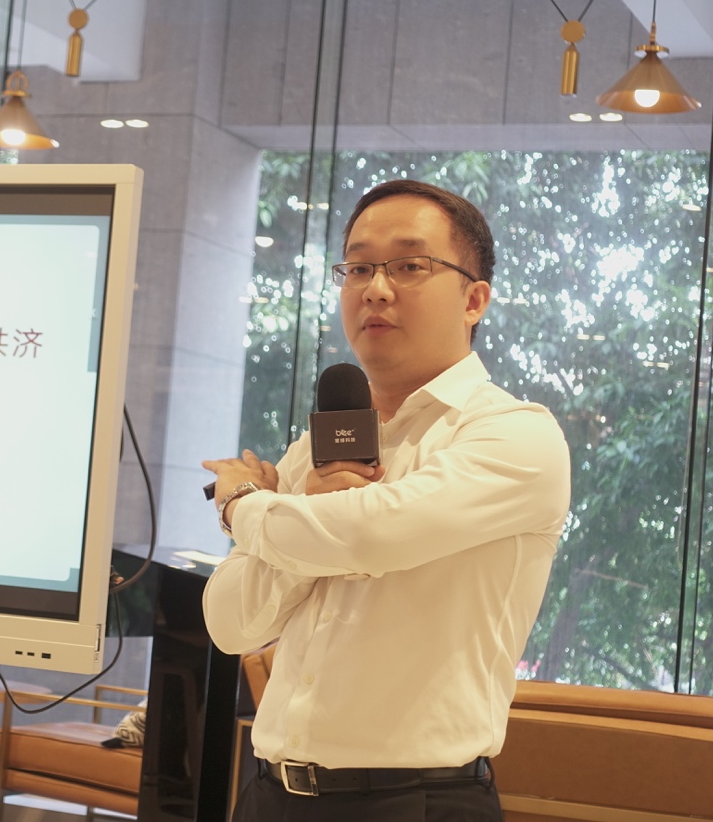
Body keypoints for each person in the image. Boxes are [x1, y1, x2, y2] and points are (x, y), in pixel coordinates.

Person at [202, 180, 571, 821]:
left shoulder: (515, 435)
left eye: (408, 266)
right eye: (358, 267)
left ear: (474, 299)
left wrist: (242, 503)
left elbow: (369, 534)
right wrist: (306, 530)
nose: (375, 288)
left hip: (417, 800)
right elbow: (230, 624)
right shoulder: (313, 449)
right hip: (270, 794)